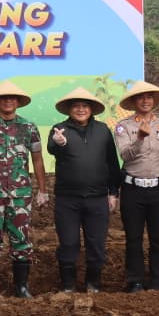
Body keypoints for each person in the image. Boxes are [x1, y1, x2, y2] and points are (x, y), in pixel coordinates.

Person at [0, 80, 49, 298]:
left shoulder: (29, 127)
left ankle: (21, 287)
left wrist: (42, 190)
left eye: (12, 98)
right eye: (3, 98)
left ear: (18, 102)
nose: (8, 101)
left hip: (20, 195)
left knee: (21, 242)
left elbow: (37, 159)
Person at [47, 86, 122, 294]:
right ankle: (68, 285)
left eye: (85, 106)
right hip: (67, 199)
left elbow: (112, 163)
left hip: (97, 198)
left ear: (91, 109)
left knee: (96, 243)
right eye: (76, 106)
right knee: (69, 243)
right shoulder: (59, 129)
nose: (81, 109)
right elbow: (51, 148)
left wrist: (113, 192)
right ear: (69, 109)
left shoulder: (102, 130)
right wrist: (58, 143)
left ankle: (93, 284)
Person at [114, 81, 159, 292]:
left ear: (153, 101)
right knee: (133, 238)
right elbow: (125, 155)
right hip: (133, 189)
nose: (145, 101)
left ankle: (156, 282)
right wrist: (140, 138)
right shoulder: (124, 126)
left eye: (149, 97)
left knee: (158, 239)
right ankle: (135, 281)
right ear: (134, 101)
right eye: (141, 97)